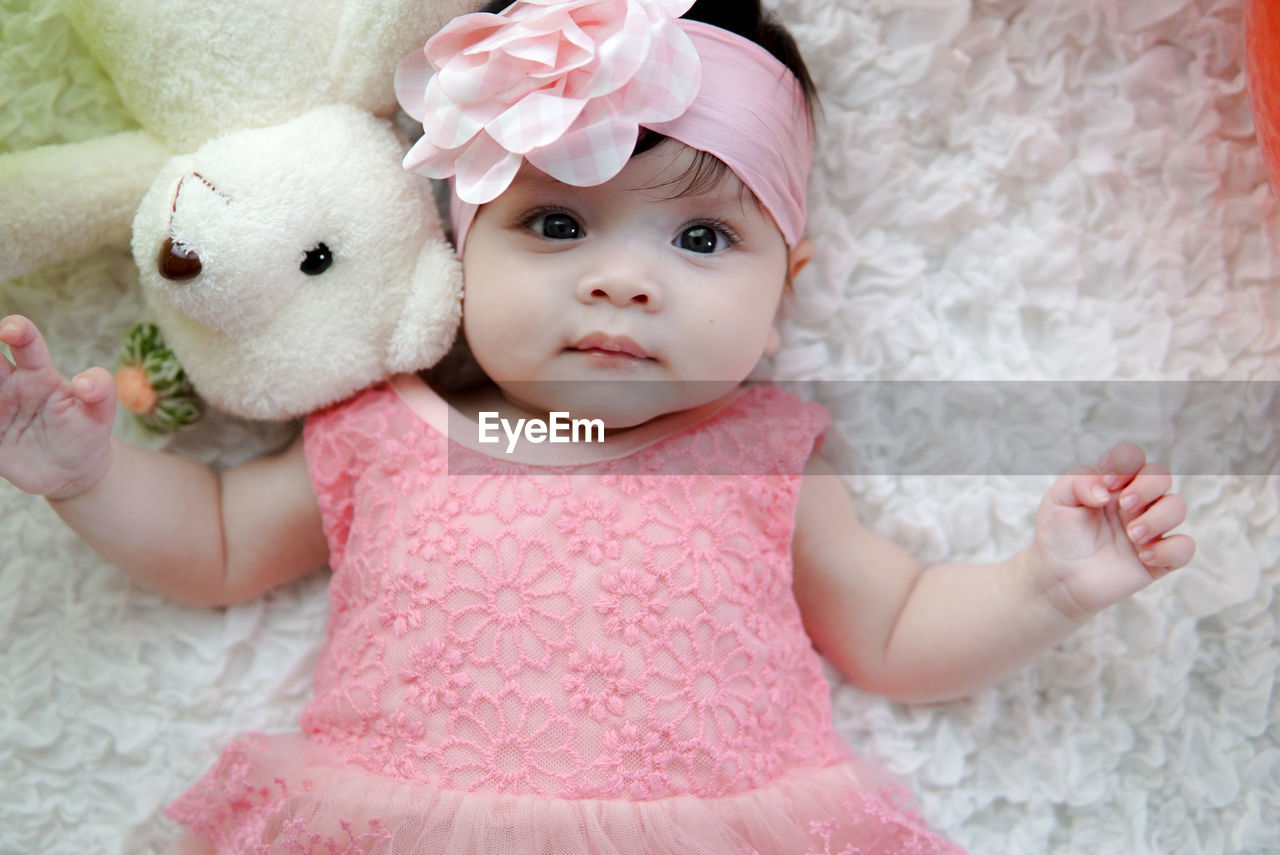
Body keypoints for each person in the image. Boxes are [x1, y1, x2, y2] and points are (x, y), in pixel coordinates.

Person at [0, 1, 1194, 852]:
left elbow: (889, 627)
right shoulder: (390, 431)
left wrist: (1046, 585)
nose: (623, 282)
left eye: (700, 239)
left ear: (787, 288)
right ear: (459, 249)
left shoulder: (760, 453)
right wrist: (88, 473)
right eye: (558, 228)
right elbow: (213, 546)